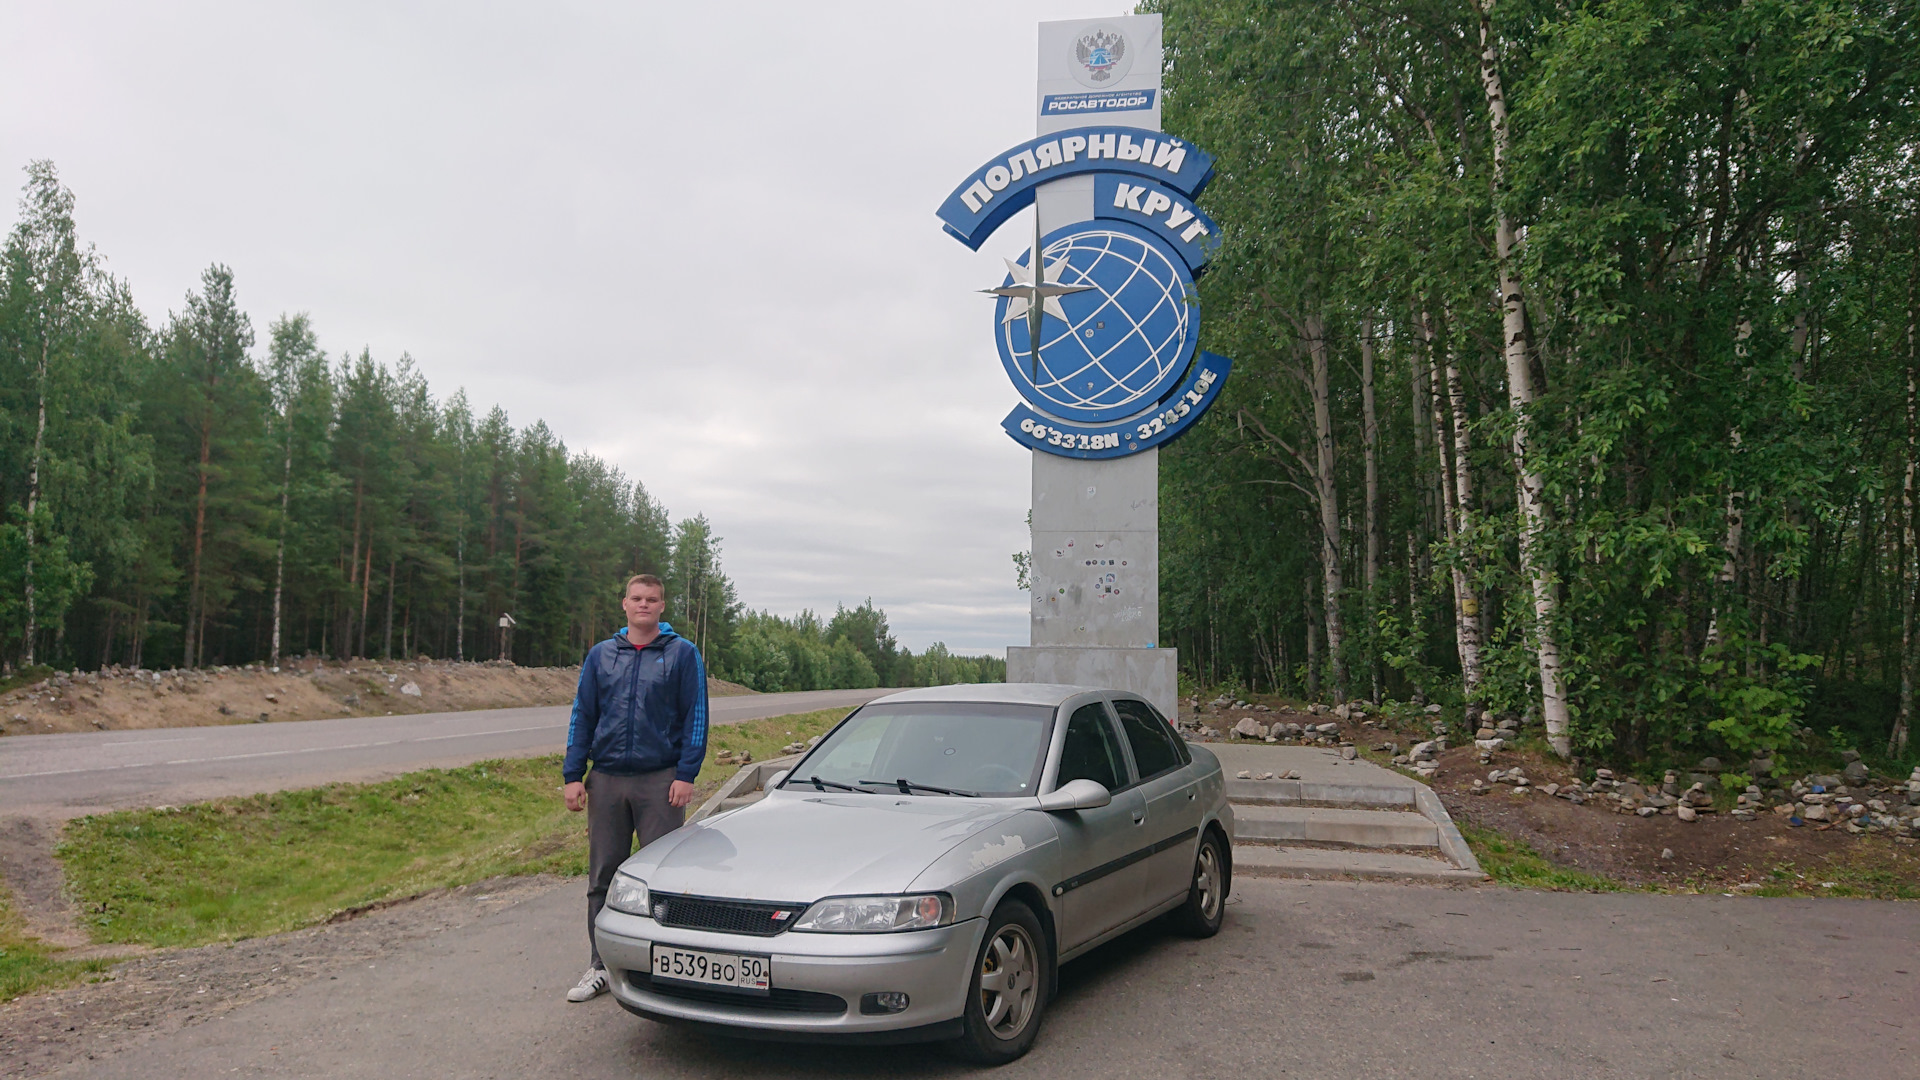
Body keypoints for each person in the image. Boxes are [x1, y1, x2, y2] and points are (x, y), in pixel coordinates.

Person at [560, 573, 708, 1002]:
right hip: (606, 779)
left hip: (660, 781)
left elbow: (695, 715)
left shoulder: (682, 655)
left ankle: (664, 967)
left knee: (661, 878)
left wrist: (686, 773)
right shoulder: (601, 656)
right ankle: (599, 965)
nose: (644, 605)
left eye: (652, 599)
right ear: (624, 604)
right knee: (603, 876)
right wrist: (573, 774)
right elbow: (582, 715)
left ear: (663, 607)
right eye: (637, 598)